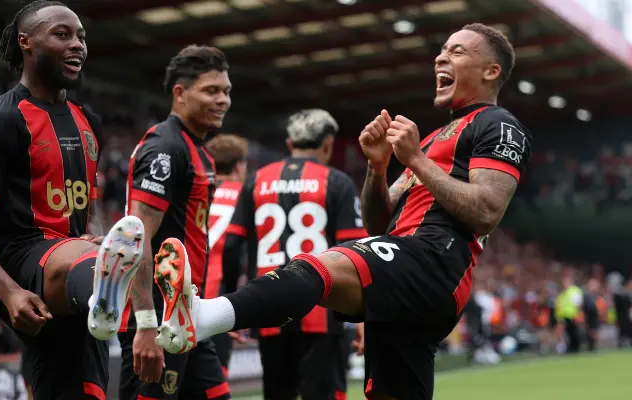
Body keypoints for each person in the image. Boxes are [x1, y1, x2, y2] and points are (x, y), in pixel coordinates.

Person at [154, 23, 531, 400]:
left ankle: (203, 316)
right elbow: (378, 223)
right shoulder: (433, 139)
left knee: (316, 266)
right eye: (443, 50)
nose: (440, 58)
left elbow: (486, 210)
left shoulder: (498, 125)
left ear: (491, 71)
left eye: (457, 52)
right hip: (404, 274)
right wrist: (377, 169)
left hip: (433, 262)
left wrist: (416, 159)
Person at [0, 2, 143, 398]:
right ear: (26, 43)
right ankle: (126, 293)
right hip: (21, 263)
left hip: (75, 263)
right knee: (123, 270)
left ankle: (110, 285)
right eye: (62, 34)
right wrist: (8, 292)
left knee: (79, 390)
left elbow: (86, 206)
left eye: (81, 37)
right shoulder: (2, 119)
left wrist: (94, 234)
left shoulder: (88, 121)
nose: (77, 45)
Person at [225, 109, 366, 399]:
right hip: (323, 311)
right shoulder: (338, 182)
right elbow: (354, 252)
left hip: (268, 311)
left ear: (290, 144)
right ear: (328, 144)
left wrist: (231, 304)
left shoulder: (254, 181)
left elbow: (230, 246)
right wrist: (363, 314)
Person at [116, 45, 231, 399]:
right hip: (158, 321)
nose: (223, 100)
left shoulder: (199, 151)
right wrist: (146, 325)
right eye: (211, 91)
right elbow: (136, 237)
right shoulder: (166, 148)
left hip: (187, 316)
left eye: (226, 91)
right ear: (180, 93)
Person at [203, 133, 250, 377]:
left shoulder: (196, 189)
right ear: (239, 166)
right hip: (219, 298)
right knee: (214, 380)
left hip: (181, 295)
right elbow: (235, 250)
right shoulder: (245, 194)